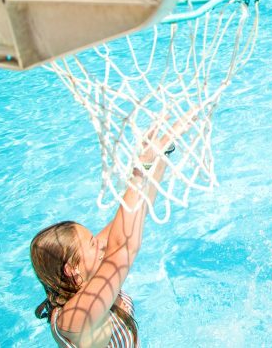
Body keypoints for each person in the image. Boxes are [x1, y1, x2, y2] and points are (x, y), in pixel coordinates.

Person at [30, 114, 194, 348]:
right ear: (71, 268)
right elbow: (124, 246)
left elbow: (138, 209)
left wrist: (159, 155)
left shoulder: (88, 269)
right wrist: (139, 170)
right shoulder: (73, 319)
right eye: (92, 243)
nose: (101, 242)